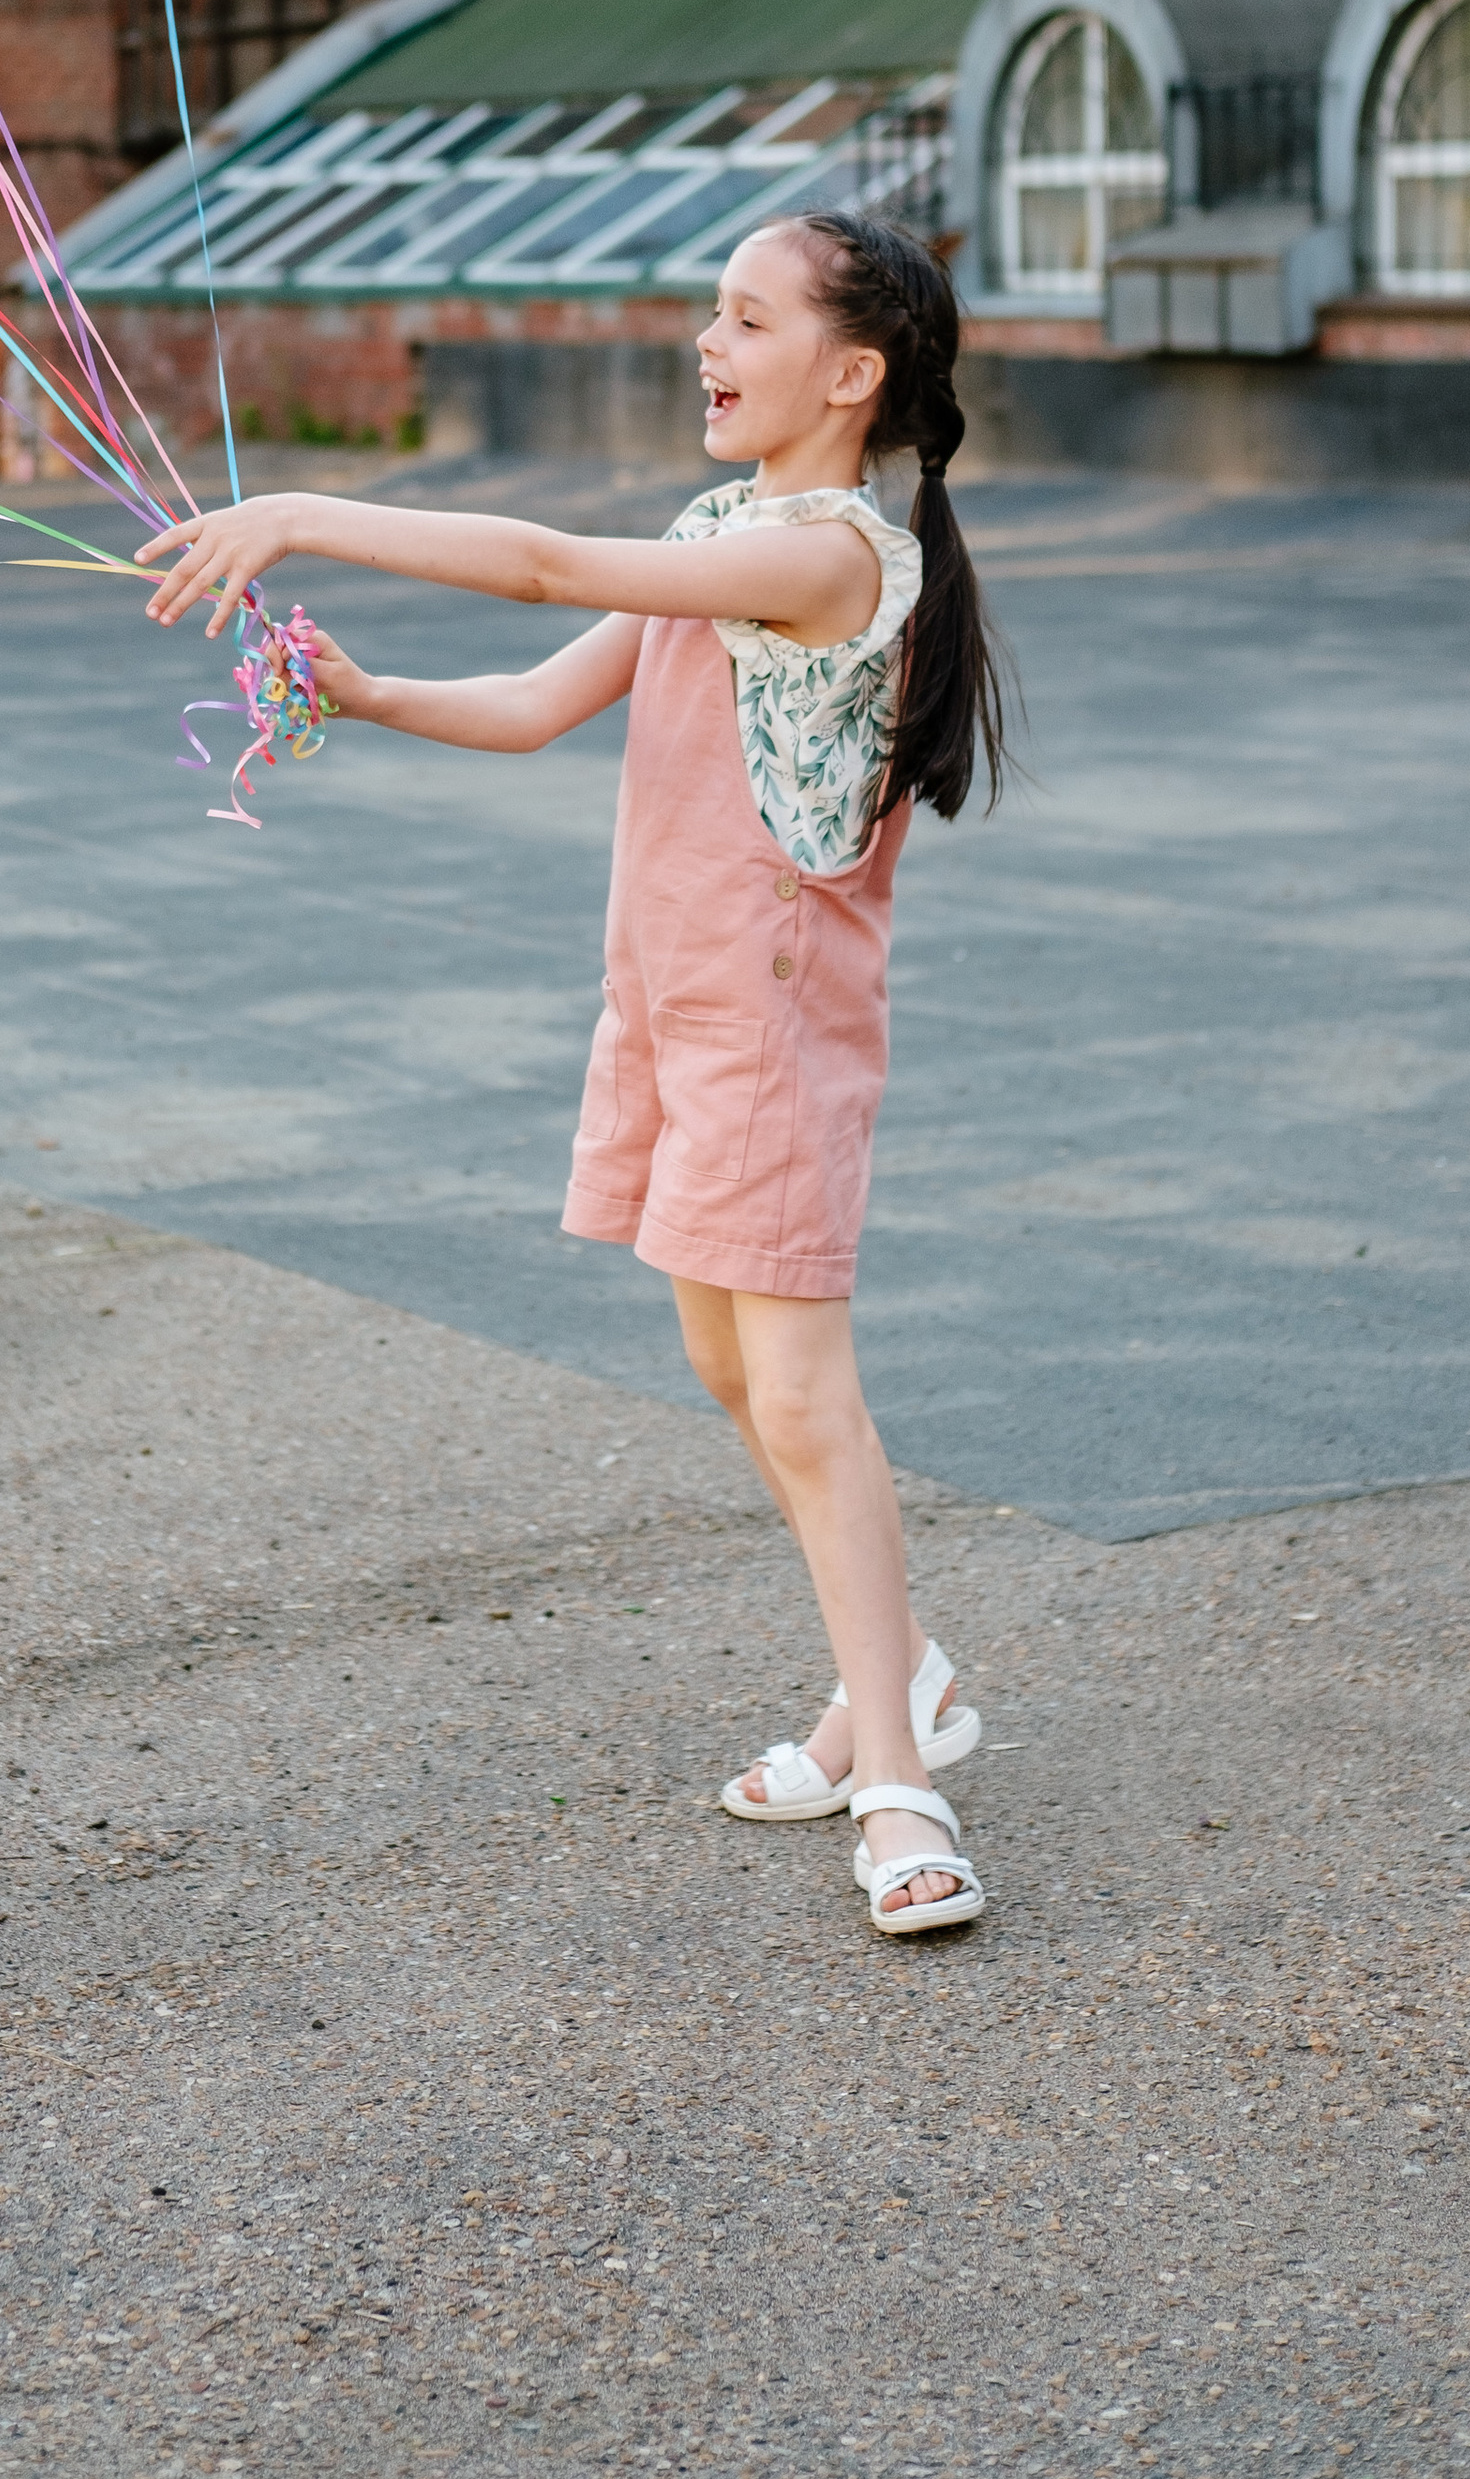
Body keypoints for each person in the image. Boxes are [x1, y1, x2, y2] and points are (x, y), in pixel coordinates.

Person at [139, 209, 1013, 1938]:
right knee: (724, 1368)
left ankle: (902, 1784)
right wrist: (369, 693)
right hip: (674, 1012)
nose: (709, 343)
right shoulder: (718, 532)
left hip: (770, 1027)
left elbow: (543, 564)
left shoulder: (827, 555)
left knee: (805, 1400)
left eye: (746, 319)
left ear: (850, 374)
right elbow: (541, 698)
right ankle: (897, 1670)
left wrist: (301, 510)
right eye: (714, 313)